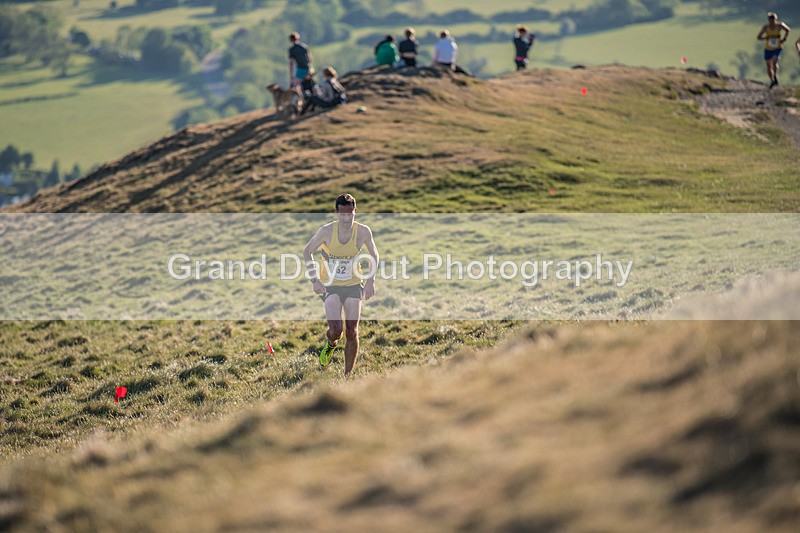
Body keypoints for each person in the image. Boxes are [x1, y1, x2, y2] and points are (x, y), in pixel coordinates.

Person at [303, 194, 378, 378]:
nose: (347, 219)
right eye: (343, 215)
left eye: (350, 214)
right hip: (331, 286)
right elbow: (307, 251)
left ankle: (348, 375)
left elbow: (374, 255)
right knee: (336, 330)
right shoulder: (326, 231)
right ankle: (330, 344)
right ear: (336, 213)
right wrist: (315, 281)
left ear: (355, 212)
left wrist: (370, 281)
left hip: (354, 284)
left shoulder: (363, 231)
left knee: (351, 331)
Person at [757, 12, 791, 89]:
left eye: (773, 20)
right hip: (768, 49)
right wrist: (765, 38)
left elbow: (788, 30)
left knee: (774, 61)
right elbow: (758, 37)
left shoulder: (779, 26)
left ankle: (775, 76)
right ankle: (772, 80)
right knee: (768, 66)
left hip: (777, 48)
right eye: (770, 20)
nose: (772, 22)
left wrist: (784, 39)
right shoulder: (766, 27)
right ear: (768, 20)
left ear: (776, 20)